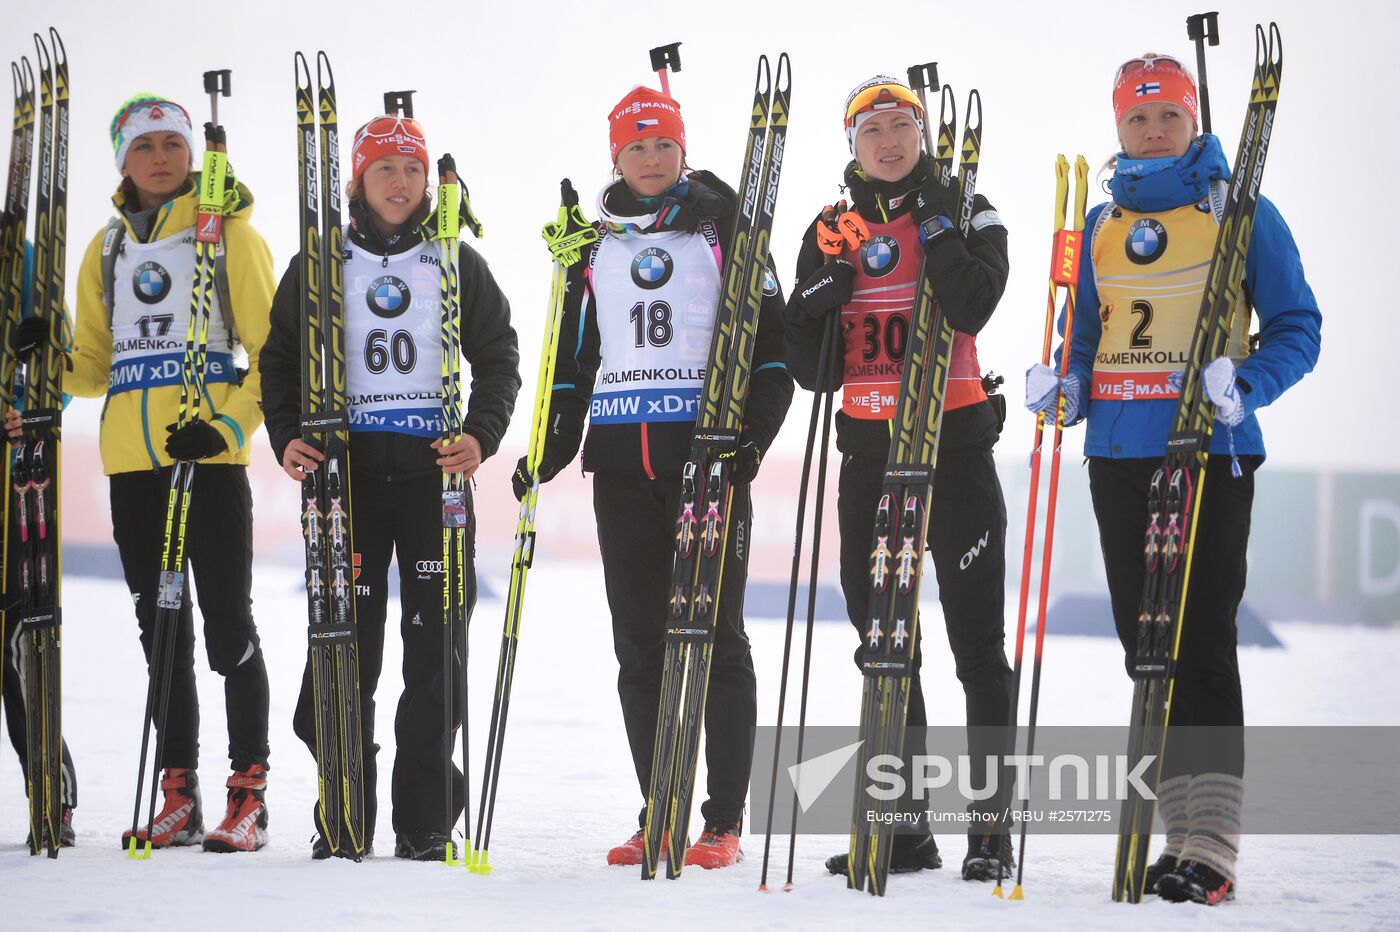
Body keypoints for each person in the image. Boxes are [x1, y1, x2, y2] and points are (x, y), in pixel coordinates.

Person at [1025, 54, 1320, 905]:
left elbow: (1299, 325)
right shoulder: (1103, 221)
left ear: (1194, 121)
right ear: (1117, 130)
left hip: (1208, 452)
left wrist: (1248, 384)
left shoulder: (1240, 212)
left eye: (1169, 119)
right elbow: (1085, 338)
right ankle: (1175, 827)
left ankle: (1212, 844)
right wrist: (1065, 388)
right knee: (1144, 645)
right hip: (1117, 456)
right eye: (1137, 121)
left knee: (1202, 641)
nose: (1153, 133)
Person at [519, 84, 792, 869]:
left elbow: (770, 354)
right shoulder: (594, 243)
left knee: (717, 639)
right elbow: (573, 367)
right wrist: (549, 449)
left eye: (663, 144)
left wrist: (751, 442)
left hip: (705, 460)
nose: (650, 158)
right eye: (636, 146)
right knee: (640, 644)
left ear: (683, 150)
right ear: (616, 155)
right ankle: (659, 807)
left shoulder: (721, 229)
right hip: (621, 467)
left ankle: (723, 821)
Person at [3, 93, 276, 852]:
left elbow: (272, 360)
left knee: (227, 628)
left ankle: (247, 795)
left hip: (210, 463)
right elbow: (95, 366)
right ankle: (178, 792)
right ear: (121, 160)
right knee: (162, 636)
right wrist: (48, 356)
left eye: (172, 143)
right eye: (143, 145)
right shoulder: (108, 249)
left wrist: (223, 427)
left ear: (192, 154)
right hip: (133, 467)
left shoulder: (232, 240)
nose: (160, 156)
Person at [261, 113, 520, 861]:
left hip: (432, 481)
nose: (399, 184)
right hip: (344, 487)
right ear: (358, 182)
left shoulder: (453, 259)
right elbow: (279, 360)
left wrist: (482, 433)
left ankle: (426, 818)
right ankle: (343, 810)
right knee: (345, 647)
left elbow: (499, 356)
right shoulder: (321, 260)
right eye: (384, 171)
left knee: (436, 648)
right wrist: (285, 433)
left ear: (427, 182)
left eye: (411, 170)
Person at [782, 75, 1014, 881]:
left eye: (902, 125)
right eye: (873, 128)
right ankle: (905, 829)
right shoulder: (831, 225)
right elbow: (809, 370)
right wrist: (821, 294)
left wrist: (941, 227)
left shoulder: (970, 205)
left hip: (953, 448)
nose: (889, 140)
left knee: (977, 647)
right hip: (871, 454)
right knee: (885, 646)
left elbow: (974, 305)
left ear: (922, 134)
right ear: (852, 143)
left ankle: (991, 831)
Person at [2, 236, 79, 849]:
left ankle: (50, 788)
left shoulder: (22, 256)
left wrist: (29, 396)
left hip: (13, 480)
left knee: (19, 640)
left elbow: (68, 361)